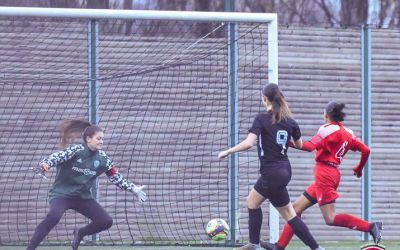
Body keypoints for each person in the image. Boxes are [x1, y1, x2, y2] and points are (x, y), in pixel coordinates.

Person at [260, 101, 383, 250]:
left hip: (324, 174)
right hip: (331, 174)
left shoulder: (327, 129)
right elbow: (366, 150)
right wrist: (359, 168)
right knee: (295, 209)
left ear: (327, 115)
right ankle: (279, 246)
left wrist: (285, 142)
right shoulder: (348, 133)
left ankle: (370, 226)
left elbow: (309, 146)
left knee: (330, 218)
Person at [218, 84, 324, 250]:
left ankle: (254, 244)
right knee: (289, 213)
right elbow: (300, 144)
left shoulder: (261, 118)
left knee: (252, 202)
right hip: (285, 170)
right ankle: (317, 248)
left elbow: (249, 143)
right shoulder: (291, 122)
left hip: (272, 172)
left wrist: (228, 151)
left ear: (264, 99)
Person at [26, 119, 147, 250]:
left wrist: (133, 188)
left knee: (105, 221)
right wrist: (45, 165)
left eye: (102, 139)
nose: (101, 141)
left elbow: (115, 177)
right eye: (98, 138)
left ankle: (80, 233)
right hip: (61, 195)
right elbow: (57, 157)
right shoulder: (76, 149)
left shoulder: (103, 158)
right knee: (54, 216)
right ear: (88, 139)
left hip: (81, 197)